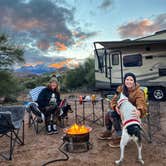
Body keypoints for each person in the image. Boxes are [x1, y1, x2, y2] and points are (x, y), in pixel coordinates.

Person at [98, 72, 147, 147]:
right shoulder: (121, 89)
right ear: (124, 81)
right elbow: (114, 100)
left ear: (134, 81)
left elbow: (141, 103)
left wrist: (139, 111)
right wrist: (115, 107)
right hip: (122, 111)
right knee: (108, 113)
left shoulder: (138, 92)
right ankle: (108, 132)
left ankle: (121, 138)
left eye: (131, 80)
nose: (129, 81)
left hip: (132, 113)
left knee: (113, 114)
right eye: (127, 79)